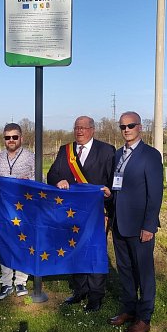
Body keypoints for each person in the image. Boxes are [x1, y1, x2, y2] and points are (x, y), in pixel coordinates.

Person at [47, 115, 115, 312]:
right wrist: (58, 181)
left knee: (94, 252)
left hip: (97, 213)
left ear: (93, 129)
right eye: (77, 127)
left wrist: (109, 198)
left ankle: (96, 296)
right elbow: (52, 174)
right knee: (74, 249)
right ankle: (79, 290)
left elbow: (112, 182)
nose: (80, 131)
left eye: (84, 128)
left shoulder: (106, 151)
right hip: (72, 214)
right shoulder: (65, 151)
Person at [109, 111, 163, 332]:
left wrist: (149, 225)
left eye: (130, 126)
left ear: (140, 127)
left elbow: (155, 193)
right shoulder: (118, 154)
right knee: (125, 269)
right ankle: (129, 309)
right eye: (122, 127)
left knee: (144, 272)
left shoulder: (150, 155)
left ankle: (144, 317)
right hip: (119, 223)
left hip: (140, 225)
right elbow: (116, 186)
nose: (126, 130)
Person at [0, 123, 35, 301]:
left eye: (14, 137)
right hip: (2, 209)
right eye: (7, 137)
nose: (11, 140)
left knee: (23, 242)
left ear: (21, 138)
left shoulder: (31, 157)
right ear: (4, 139)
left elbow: (40, 180)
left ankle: (21, 280)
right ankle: (6, 281)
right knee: (5, 243)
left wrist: (27, 181)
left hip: (24, 210)